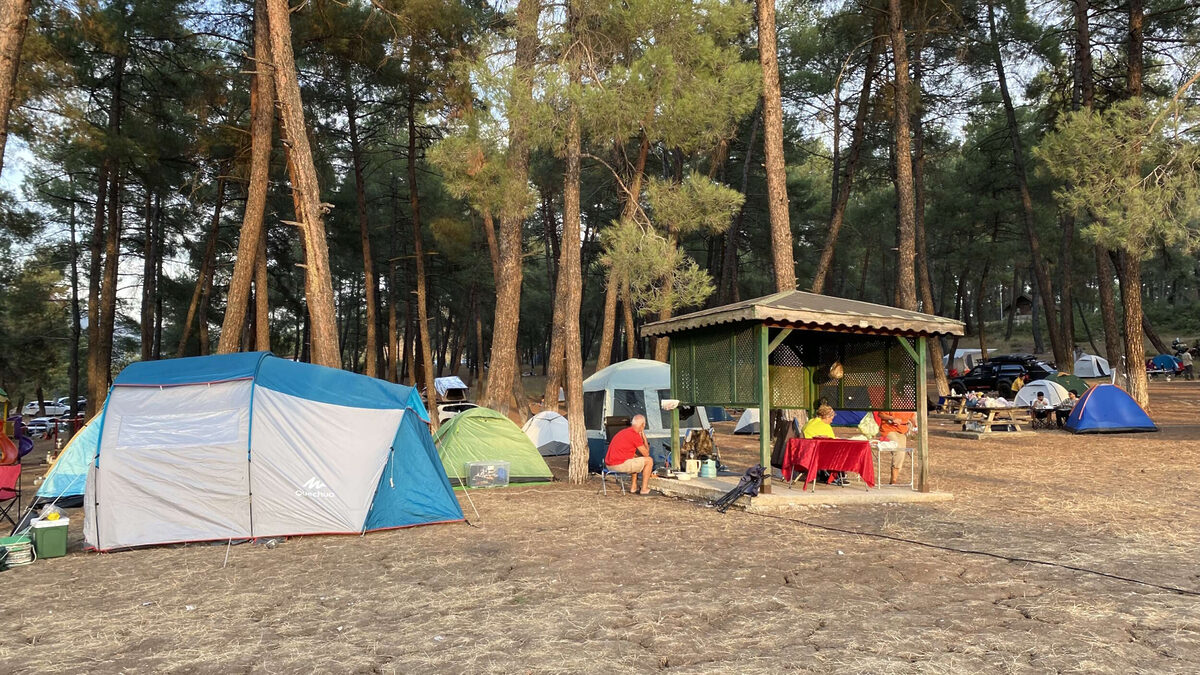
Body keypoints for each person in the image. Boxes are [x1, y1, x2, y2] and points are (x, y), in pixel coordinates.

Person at [604, 414, 654, 495]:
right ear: (643, 425)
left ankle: (633, 487)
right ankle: (644, 489)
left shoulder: (624, 432)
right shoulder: (634, 435)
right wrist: (644, 438)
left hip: (609, 464)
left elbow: (632, 454)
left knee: (636, 460)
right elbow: (646, 454)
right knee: (649, 461)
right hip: (618, 465)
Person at [877, 410, 915, 485]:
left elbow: (912, 416)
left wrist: (915, 425)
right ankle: (893, 480)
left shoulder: (908, 403)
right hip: (889, 429)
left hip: (902, 431)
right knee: (899, 450)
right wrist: (892, 418)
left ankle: (894, 479)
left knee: (902, 453)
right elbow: (881, 414)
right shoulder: (891, 401)